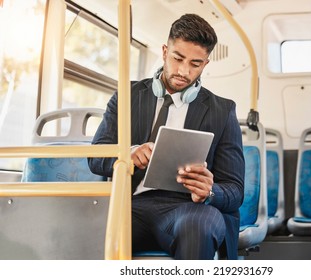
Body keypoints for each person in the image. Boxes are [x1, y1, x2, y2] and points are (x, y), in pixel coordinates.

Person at [88, 14, 245, 260]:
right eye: (177, 58)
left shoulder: (222, 111)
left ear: (205, 64)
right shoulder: (127, 96)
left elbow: (235, 190)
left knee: (199, 225)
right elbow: (96, 156)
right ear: (164, 51)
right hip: (131, 206)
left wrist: (210, 191)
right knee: (86, 229)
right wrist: (128, 153)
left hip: (189, 210)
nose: (184, 71)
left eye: (195, 63)